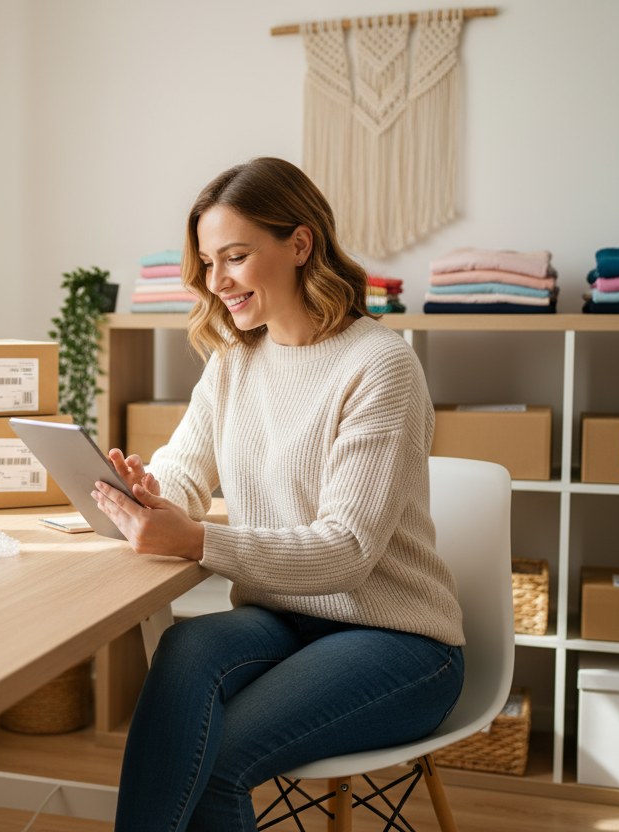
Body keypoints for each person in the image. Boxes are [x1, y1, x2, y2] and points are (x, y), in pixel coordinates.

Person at [91, 157, 465, 831]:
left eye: (235, 256)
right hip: (285, 622)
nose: (218, 282)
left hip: (396, 640)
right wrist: (147, 496)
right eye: (208, 263)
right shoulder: (237, 361)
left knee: (219, 760)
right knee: (184, 649)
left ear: (300, 244)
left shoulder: (379, 365)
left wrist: (199, 539)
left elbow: (347, 553)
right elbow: (184, 469)